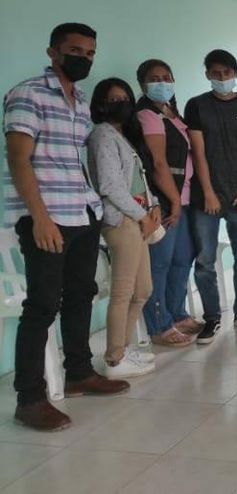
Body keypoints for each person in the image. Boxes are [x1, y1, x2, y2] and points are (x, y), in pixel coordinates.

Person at [4, 23, 128, 432]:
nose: (84, 58)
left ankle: (79, 372)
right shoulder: (28, 94)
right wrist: (39, 217)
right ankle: (30, 399)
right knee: (42, 306)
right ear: (53, 52)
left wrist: (94, 210)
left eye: (90, 53)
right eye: (75, 51)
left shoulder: (80, 101)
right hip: (48, 217)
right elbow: (19, 159)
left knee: (81, 294)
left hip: (82, 212)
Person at [185, 49, 237, 343]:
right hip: (206, 197)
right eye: (215, 73)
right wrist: (208, 192)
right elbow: (198, 152)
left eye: (227, 73)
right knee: (205, 260)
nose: (222, 78)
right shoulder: (197, 105)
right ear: (207, 74)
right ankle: (212, 318)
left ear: (236, 74)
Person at [88, 78, 163, 378]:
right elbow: (110, 186)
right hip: (122, 221)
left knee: (142, 289)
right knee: (123, 291)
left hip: (138, 218)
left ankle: (123, 348)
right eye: (113, 99)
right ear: (101, 105)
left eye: (125, 98)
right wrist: (142, 215)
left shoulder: (123, 136)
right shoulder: (102, 135)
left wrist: (154, 205)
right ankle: (114, 359)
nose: (121, 104)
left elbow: (137, 180)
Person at [136, 59, 202, 347]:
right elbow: (159, 163)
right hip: (164, 201)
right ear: (142, 85)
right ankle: (159, 325)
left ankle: (177, 314)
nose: (162, 83)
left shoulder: (172, 113)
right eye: (154, 78)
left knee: (182, 259)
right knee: (160, 264)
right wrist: (173, 202)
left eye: (166, 77)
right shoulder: (148, 115)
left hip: (185, 199)